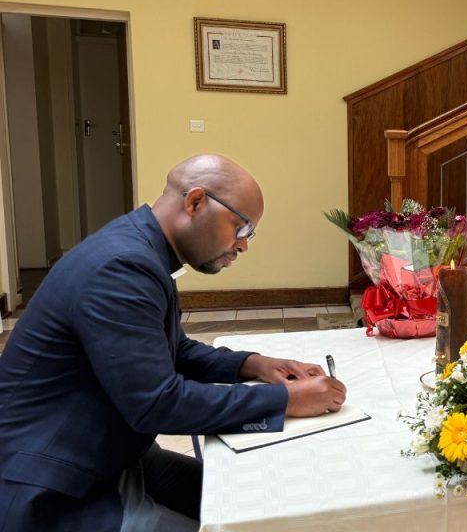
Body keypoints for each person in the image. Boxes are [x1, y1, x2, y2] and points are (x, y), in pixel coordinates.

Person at [0, 154, 347, 531]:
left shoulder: (141, 248)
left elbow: (174, 350)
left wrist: (255, 364)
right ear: (195, 202)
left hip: (112, 454)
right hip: (56, 487)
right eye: (241, 228)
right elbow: (158, 403)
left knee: (252, 504)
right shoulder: (122, 266)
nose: (243, 246)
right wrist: (287, 400)